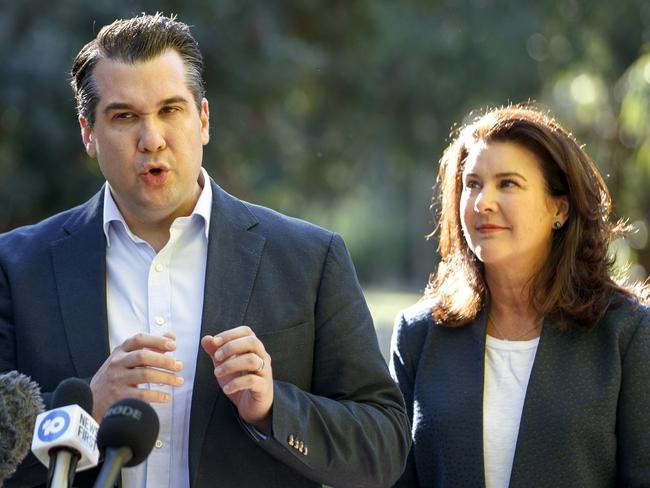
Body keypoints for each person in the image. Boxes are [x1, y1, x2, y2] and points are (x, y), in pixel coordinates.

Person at [0, 13, 410, 488]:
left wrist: (275, 409)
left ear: (205, 120)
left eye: (171, 110)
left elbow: (385, 445)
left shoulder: (310, 259)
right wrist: (83, 407)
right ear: (88, 133)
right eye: (125, 116)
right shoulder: (17, 266)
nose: (151, 139)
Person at [390, 105, 650, 487]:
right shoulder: (419, 335)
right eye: (472, 184)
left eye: (507, 183)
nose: (482, 203)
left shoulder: (627, 334)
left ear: (559, 207)